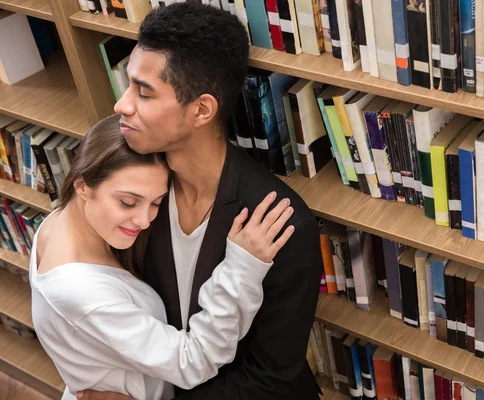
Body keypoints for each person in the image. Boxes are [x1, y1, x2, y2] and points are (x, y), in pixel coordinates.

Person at [81, 2, 323, 399]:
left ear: (202, 110)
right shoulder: (133, 190)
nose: (121, 105)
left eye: (143, 92)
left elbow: (271, 377)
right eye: (129, 86)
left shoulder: (282, 221)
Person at [30, 115, 297, 400]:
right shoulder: (82, 292)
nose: (144, 221)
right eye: (128, 202)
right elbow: (193, 362)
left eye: (156, 202)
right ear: (83, 186)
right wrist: (241, 268)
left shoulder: (59, 221)